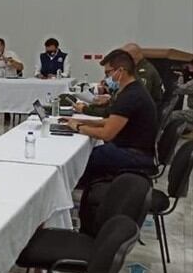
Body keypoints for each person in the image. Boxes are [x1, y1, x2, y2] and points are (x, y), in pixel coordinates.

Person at [65, 49, 158, 187]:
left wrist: (78, 127)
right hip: (137, 150)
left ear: (120, 71)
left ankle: (75, 190)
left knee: (83, 157)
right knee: (88, 152)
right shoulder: (134, 89)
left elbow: (106, 134)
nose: (106, 78)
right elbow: (112, 121)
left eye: (108, 72)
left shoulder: (130, 96)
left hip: (135, 156)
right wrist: (84, 121)